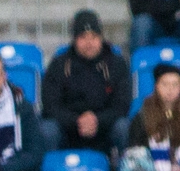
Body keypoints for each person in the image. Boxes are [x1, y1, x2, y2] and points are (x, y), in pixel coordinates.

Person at [40, 10, 132, 155]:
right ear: (75, 39)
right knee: (47, 129)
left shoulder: (117, 63)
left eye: (94, 37)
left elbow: (122, 105)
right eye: (83, 37)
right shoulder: (59, 64)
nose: (89, 43)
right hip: (68, 130)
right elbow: (51, 105)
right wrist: (76, 121)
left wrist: (97, 120)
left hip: (104, 129)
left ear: (101, 38)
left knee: (123, 127)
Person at [126, 63, 180, 171]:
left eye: (175, 84)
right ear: (156, 86)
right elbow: (135, 154)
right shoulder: (142, 117)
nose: (170, 89)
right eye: (165, 84)